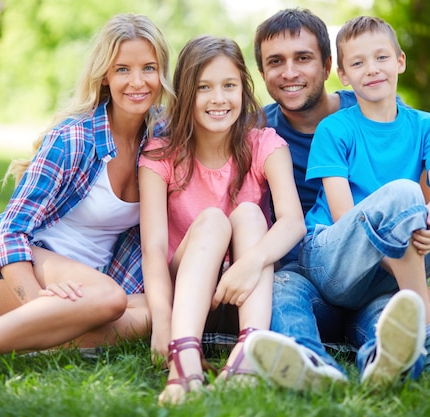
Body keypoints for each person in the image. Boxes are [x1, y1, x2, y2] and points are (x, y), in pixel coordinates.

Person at [244, 9, 430, 390]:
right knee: (284, 290)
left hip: (391, 262)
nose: (290, 72)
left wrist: (427, 225)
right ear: (346, 72)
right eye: (276, 62)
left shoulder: (417, 121)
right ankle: (310, 362)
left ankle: (424, 340)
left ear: (328, 67)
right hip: (332, 255)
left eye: (302, 58)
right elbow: (346, 217)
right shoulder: (308, 129)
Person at [0, 13, 173, 400]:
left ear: (162, 73)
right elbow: (11, 231)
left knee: (159, 310)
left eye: (148, 68)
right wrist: (38, 305)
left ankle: (10, 340)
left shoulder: (161, 142)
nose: (137, 82)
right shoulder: (73, 138)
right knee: (112, 299)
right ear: (105, 75)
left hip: (87, 282)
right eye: (123, 69)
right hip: (20, 267)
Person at [138, 35, 305, 405]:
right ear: (185, 94)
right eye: (204, 88)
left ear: (243, 91)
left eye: (229, 85)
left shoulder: (265, 144)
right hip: (188, 296)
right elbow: (153, 248)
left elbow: (293, 222)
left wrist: (250, 264)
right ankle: (183, 364)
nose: (219, 98)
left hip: (247, 296)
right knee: (214, 220)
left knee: (247, 214)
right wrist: (161, 317)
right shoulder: (160, 154)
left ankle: (248, 358)